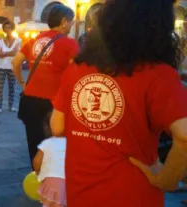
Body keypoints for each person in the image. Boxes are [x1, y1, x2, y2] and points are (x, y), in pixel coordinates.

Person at [49, 0, 187, 206]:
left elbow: (57, 126)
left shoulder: (77, 69)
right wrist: (167, 179)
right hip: (133, 192)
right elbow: (184, 136)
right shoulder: (158, 74)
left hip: (81, 190)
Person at [12, 4, 78, 167]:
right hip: (53, 104)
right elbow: (75, 76)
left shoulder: (34, 40)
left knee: (34, 144)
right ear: (64, 21)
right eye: (71, 21)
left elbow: (15, 63)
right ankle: (51, 183)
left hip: (30, 100)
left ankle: (36, 180)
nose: (71, 25)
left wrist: (22, 82)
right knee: (55, 146)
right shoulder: (70, 44)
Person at [0, 20, 21, 113]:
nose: (7, 29)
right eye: (5, 28)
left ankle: (11, 106)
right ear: (4, 29)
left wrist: (4, 53)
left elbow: (14, 53)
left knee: (12, 87)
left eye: (9, 27)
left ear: (12, 28)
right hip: (1, 66)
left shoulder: (18, 40)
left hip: (12, 67)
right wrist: (8, 53)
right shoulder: (1, 41)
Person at [33, 136, 66, 207]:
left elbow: (36, 162)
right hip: (71, 182)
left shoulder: (48, 142)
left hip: (52, 181)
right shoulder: (76, 143)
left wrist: (37, 171)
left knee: (51, 203)